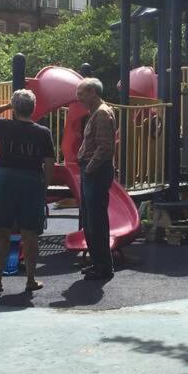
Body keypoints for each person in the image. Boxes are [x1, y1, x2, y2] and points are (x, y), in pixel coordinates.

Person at [0, 89, 55, 294]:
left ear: (15, 108)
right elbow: (49, 164)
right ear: (33, 108)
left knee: (1, 231)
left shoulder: (4, 126)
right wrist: (44, 187)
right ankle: (30, 279)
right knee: (30, 233)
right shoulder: (43, 132)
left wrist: (5, 106)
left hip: (6, 179)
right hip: (31, 181)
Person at [76, 77, 117, 281]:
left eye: (81, 93)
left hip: (96, 172)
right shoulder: (96, 113)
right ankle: (98, 263)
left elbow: (105, 147)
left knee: (96, 220)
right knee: (90, 219)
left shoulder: (101, 113)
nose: (78, 97)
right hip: (93, 171)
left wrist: (90, 169)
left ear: (93, 92)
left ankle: (102, 266)